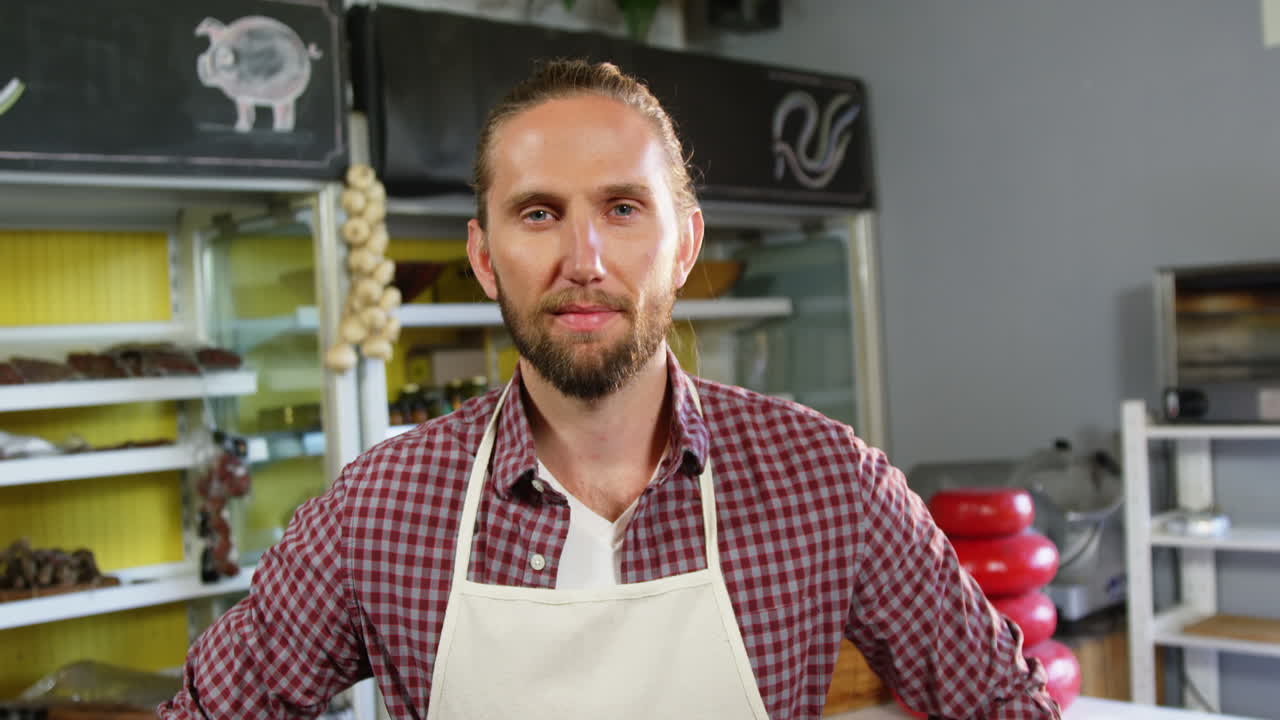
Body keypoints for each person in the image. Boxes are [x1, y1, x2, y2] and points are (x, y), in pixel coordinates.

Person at [160, 59, 1058, 719]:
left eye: (622, 209)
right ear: (484, 257)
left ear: (684, 245)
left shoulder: (825, 481)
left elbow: (1004, 703)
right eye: (539, 213)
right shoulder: (382, 510)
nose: (582, 260)